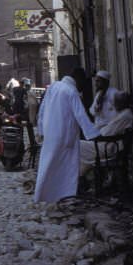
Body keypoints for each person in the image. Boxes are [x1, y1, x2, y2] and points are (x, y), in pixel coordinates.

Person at [33, 68, 101, 203]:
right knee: (66, 167)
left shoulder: (54, 87)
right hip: (64, 136)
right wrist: (93, 134)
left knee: (48, 165)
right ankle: (65, 195)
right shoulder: (71, 91)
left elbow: (42, 110)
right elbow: (80, 115)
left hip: (51, 134)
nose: (83, 87)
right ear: (78, 79)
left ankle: (44, 195)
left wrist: (41, 130)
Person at [79, 91, 133, 176]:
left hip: (109, 147)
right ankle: (80, 177)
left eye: (115, 102)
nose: (113, 104)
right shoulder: (123, 113)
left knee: (77, 146)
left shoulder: (125, 115)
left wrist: (100, 131)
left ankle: (78, 177)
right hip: (109, 144)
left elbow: (106, 133)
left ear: (121, 103)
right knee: (78, 148)